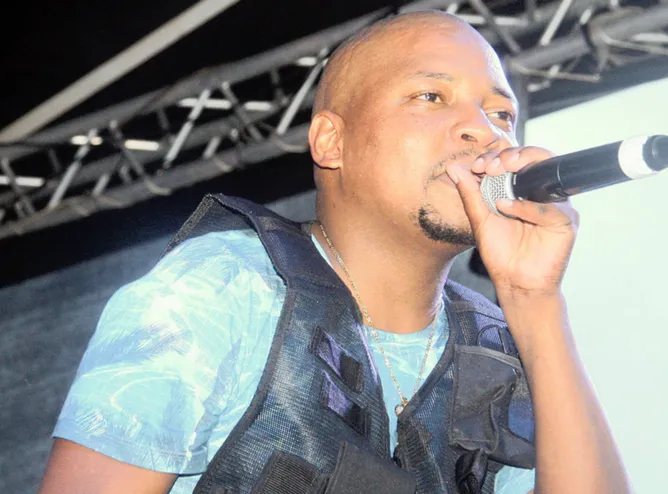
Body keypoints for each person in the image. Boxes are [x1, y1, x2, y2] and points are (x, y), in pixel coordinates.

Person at [38, 10, 632, 494]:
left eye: (502, 113)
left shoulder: (498, 355)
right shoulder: (228, 287)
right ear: (331, 141)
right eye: (431, 95)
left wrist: (534, 299)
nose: (485, 130)